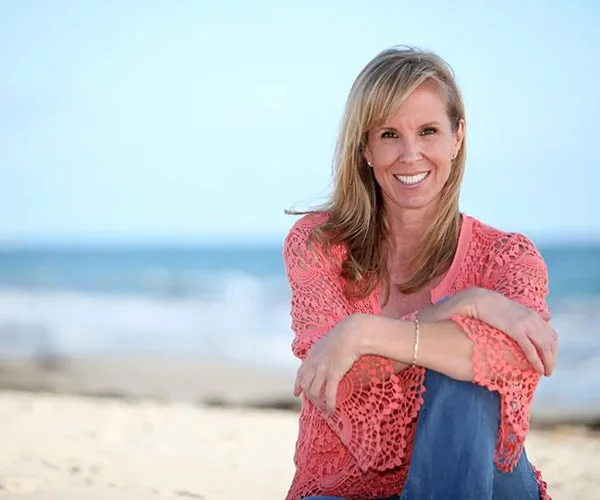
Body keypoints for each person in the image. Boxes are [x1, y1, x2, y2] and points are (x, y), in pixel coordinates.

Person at [282, 46, 558, 500]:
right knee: (461, 354)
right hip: (344, 492)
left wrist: (364, 335)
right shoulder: (318, 244)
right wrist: (466, 309)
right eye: (389, 134)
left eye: (428, 131)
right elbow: (331, 376)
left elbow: (514, 360)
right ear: (365, 148)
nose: (410, 154)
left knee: (468, 379)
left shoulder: (507, 256)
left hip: (488, 488)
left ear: (457, 137)